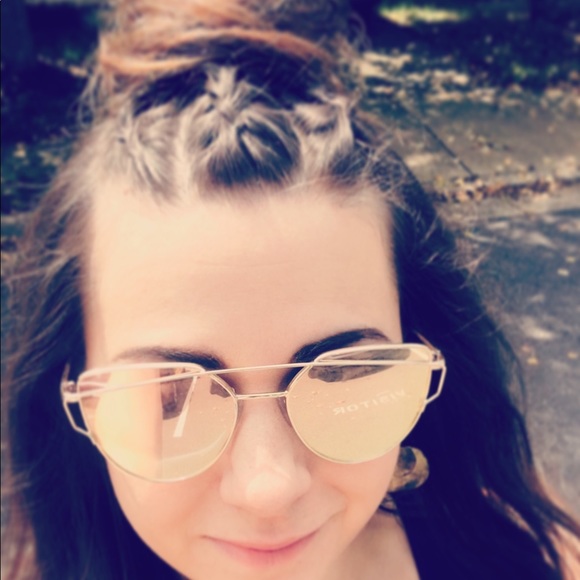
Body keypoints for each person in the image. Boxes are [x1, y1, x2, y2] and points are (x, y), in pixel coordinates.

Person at [2, 1, 579, 578]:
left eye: (343, 374)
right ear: (74, 401)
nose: (269, 489)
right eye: (171, 395)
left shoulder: (529, 557)